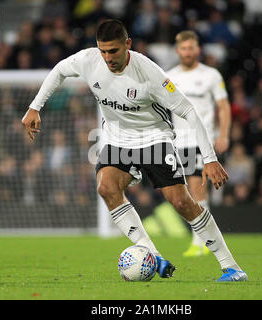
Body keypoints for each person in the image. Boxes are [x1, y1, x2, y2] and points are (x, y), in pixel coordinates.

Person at [21, 19, 247, 282]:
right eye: (103, 51)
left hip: (154, 139)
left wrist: (209, 159)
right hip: (118, 140)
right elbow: (59, 70)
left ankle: (231, 267)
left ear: (127, 44)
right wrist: (35, 106)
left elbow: (188, 111)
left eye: (113, 51)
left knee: (181, 202)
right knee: (106, 187)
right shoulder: (89, 60)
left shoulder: (150, 74)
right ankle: (153, 254)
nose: (107, 58)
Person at [167, 31, 232, 257]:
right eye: (184, 48)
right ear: (177, 51)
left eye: (191, 48)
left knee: (197, 186)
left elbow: (224, 106)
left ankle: (201, 240)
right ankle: (204, 238)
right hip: (178, 143)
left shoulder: (211, 75)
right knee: (184, 193)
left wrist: (223, 134)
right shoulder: (169, 76)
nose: (188, 52)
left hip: (202, 141)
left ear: (198, 50)